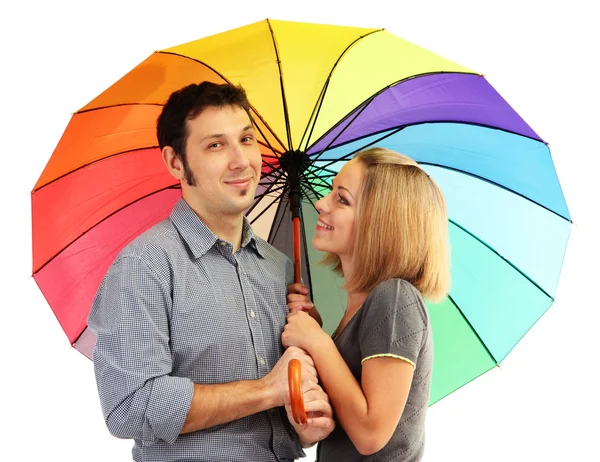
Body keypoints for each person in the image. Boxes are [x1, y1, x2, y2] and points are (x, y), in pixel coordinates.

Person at [88, 81, 334, 462]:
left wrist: (305, 419)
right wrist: (268, 389)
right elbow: (130, 406)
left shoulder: (278, 267)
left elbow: (286, 415)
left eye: (247, 140)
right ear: (175, 162)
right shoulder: (145, 266)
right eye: (216, 145)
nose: (241, 161)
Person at [283, 147, 451, 461]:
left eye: (341, 199)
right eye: (331, 192)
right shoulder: (359, 309)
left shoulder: (395, 298)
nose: (321, 204)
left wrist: (317, 342)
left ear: (380, 222)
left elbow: (371, 434)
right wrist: (314, 330)